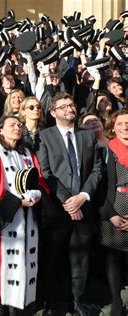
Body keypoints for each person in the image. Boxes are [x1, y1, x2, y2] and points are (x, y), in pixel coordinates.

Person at [36, 92, 102, 315]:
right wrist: (67, 201)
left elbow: (96, 169)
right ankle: (53, 303)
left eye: (71, 105)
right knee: (53, 259)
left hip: (84, 207)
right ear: (53, 112)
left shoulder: (87, 136)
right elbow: (45, 173)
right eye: (63, 107)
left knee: (80, 260)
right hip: (57, 209)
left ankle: (77, 302)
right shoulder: (44, 136)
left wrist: (82, 196)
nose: (69, 109)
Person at [0, 115, 48, 314]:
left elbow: (39, 180)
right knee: (1, 271)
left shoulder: (27, 153)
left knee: (23, 266)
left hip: (28, 218)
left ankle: (18, 308)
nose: (17, 127)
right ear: (0, 130)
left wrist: (34, 194)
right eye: (12, 125)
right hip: (4, 221)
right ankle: (0, 310)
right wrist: (18, 202)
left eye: (19, 125)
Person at [99, 109, 128, 316]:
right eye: (120, 123)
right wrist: (110, 214)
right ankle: (116, 301)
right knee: (114, 258)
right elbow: (101, 185)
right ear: (113, 127)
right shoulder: (107, 149)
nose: (125, 126)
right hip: (114, 206)